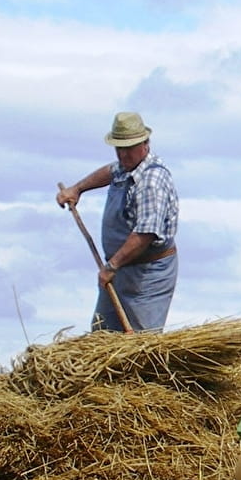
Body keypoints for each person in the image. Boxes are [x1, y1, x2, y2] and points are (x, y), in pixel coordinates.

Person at [56, 112, 179, 332]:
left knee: (140, 347)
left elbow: (145, 234)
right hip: (119, 269)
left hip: (146, 275)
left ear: (145, 144)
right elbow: (109, 172)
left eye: (128, 148)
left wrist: (111, 266)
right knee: (103, 338)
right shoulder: (125, 167)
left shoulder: (151, 181)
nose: (123, 154)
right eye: (119, 148)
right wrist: (77, 188)